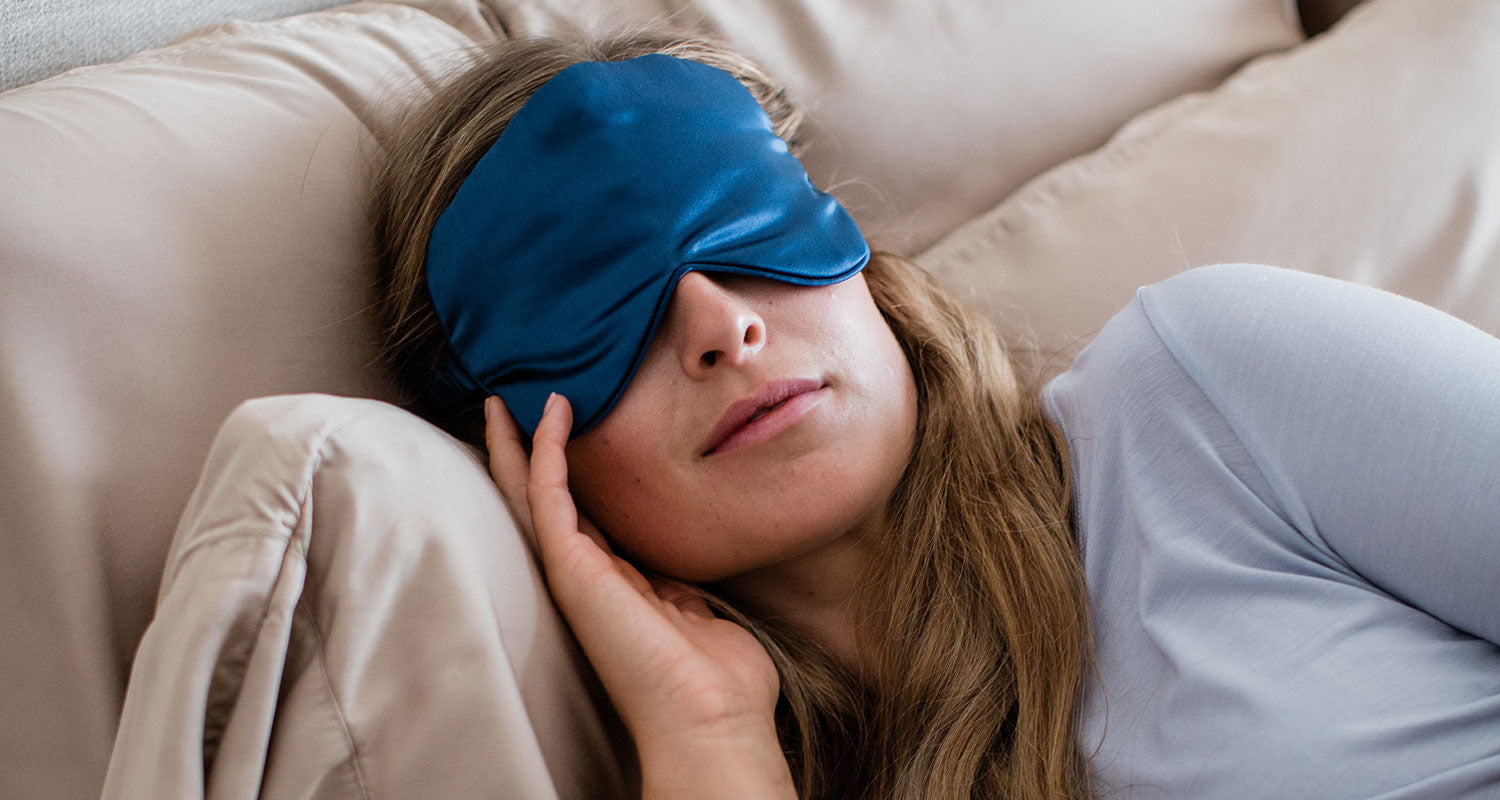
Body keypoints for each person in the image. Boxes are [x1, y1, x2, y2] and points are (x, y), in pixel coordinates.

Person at [369, 28, 1500, 800]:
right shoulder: (714, 756)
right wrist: (708, 739)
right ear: (517, 451)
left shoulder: (1204, 391)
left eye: (744, 225)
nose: (721, 323)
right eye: (590, 301)